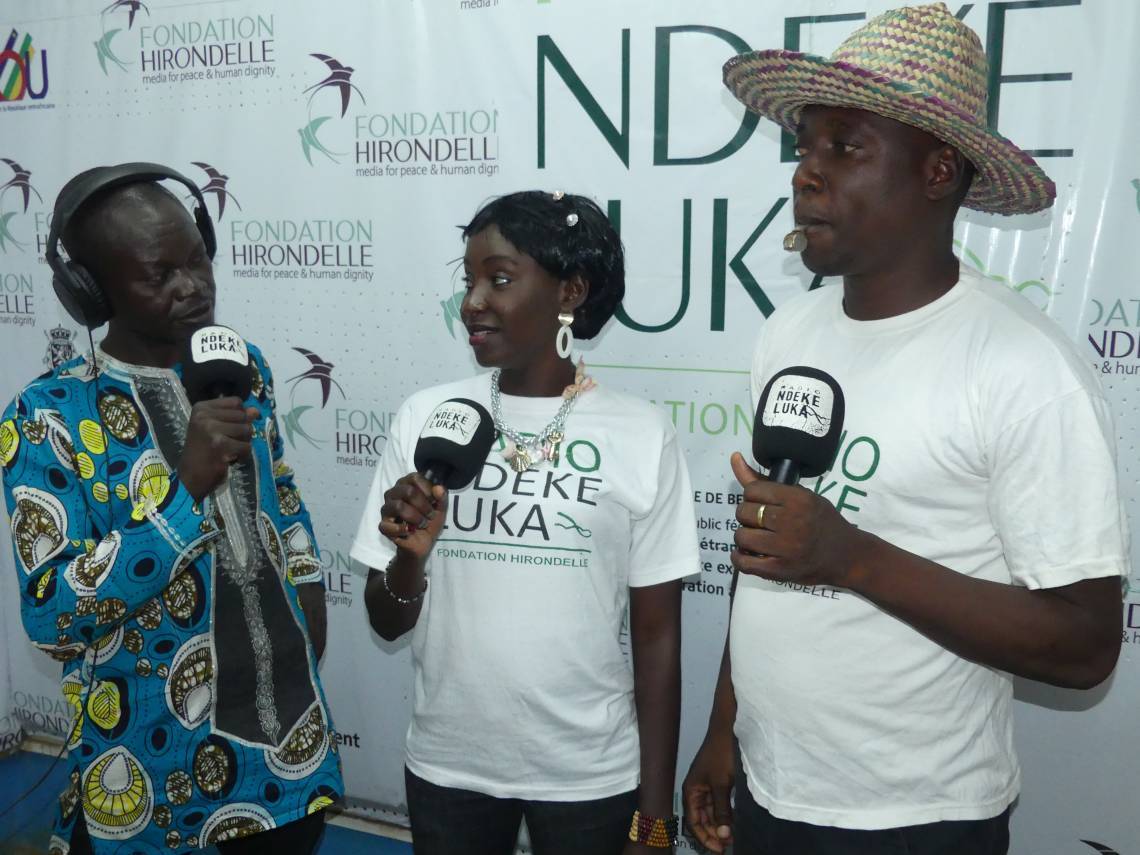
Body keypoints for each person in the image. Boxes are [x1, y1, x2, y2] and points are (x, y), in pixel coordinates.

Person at [682, 5, 1128, 855]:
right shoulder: (789, 335)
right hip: (772, 791)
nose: (805, 175)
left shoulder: (1023, 367)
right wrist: (722, 729)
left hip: (917, 822)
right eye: (804, 147)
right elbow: (769, 550)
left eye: (843, 148)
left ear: (938, 173)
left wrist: (851, 556)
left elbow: (1085, 643)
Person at [1, 164, 343, 854]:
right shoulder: (45, 418)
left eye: (197, 259)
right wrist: (181, 490)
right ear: (92, 291)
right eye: (160, 275)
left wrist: (307, 601)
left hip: (284, 749)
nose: (193, 287)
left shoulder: (243, 365)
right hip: (148, 757)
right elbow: (51, 616)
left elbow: (282, 497)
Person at [351, 190, 699, 855]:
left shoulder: (641, 432)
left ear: (570, 290)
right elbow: (387, 619)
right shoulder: (426, 417)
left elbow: (657, 638)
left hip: (590, 773)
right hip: (449, 765)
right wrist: (409, 558)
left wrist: (654, 818)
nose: (473, 301)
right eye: (469, 279)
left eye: (499, 279)